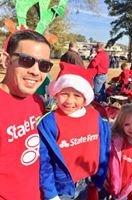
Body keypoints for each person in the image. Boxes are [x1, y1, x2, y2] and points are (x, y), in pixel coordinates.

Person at [38, 62, 111, 200]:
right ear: (56, 93)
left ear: (85, 98)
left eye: (77, 96)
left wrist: (101, 176)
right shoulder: (49, 122)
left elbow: (104, 148)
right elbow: (44, 162)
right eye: (64, 94)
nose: (69, 101)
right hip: (63, 187)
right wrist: (51, 193)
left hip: (89, 182)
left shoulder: (96, 117)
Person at [0, 30, 53, 199]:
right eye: (26, 60)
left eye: (44, 65)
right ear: (6, 60)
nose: (36, 72)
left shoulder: (37, 101)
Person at [100, 103, 132, 200]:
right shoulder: (115, 143)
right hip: (110, 186)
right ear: (121, 126)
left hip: (130, 190)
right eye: (127, 124)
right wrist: (102, 176)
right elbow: (104, 160)